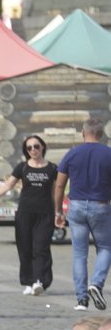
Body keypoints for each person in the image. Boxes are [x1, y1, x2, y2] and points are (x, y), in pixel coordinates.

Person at [0, 135, 56, 296]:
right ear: (26, 151)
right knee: (25, 248)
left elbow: (56, 192)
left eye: (36, 146)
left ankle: (39, 281)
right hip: (25, 214)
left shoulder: (52, 168)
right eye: (29, 148)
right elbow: (7, 186)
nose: (33, 150)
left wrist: (59, 212)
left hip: (45, 214)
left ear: (42, 147)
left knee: (41, 248)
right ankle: (28, 281)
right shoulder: (22, 167)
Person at [53, 118, 111, 311]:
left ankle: (81, 299)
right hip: (101, 205)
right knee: (105, 247)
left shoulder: (72, 154)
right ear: (101, 134)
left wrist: (58, 211)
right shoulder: (108, 154)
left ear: (83, 133)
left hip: (76, 206)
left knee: (79, 254)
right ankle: (97, 283)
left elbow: (59, 185)